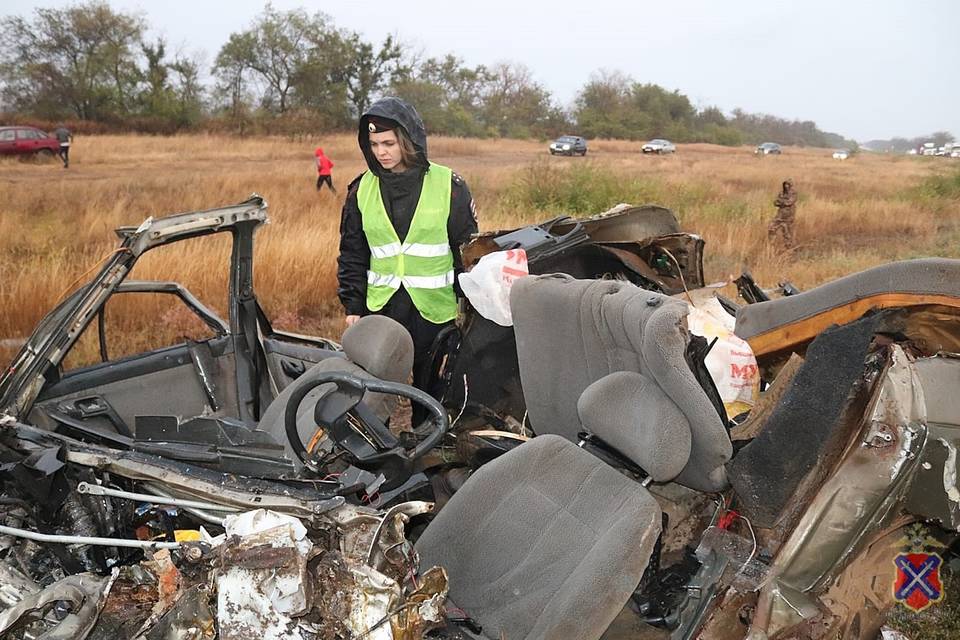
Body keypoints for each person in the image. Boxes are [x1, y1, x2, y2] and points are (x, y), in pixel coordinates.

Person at [337, 96, 478, 397]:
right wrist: (353, 305)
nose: (381, 152)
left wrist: (467, 304)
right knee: (378, 383)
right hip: (383, 305)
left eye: (388, 143)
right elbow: (352, 252)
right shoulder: (360, 190)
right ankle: (380, 440)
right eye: (374, 145)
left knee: (432, 385)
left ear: (407, 140)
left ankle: (430, 435)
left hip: (435, 307)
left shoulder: (449, 186)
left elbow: (465, 251)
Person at [768, 178, 798, 248]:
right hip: (780, 215)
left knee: (787, 233)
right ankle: (771, 245)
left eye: (788, 184)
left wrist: (781, 201)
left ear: (790, 185)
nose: (786, 186)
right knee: (771, 227)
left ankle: (789, 248)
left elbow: (789, 202)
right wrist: (782, 202)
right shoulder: (781, 193)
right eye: (785, 184)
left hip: (789, 216)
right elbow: (775, 202)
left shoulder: (793, 193)